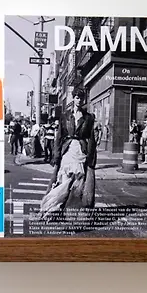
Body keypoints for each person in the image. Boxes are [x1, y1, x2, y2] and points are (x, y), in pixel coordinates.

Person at [38, 88, 97, 222]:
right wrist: (56, 155)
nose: (79, 100)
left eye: (81, 98)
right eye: (77, 97)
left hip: (81, 151)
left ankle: (70, 213)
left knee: (77, 184)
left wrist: (91, 158)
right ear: (73, 98)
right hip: (67, 150)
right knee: (63, 182)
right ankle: (51, 209)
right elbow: (59, 136)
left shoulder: (88, 117)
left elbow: (91, 139)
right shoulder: (65, 115)